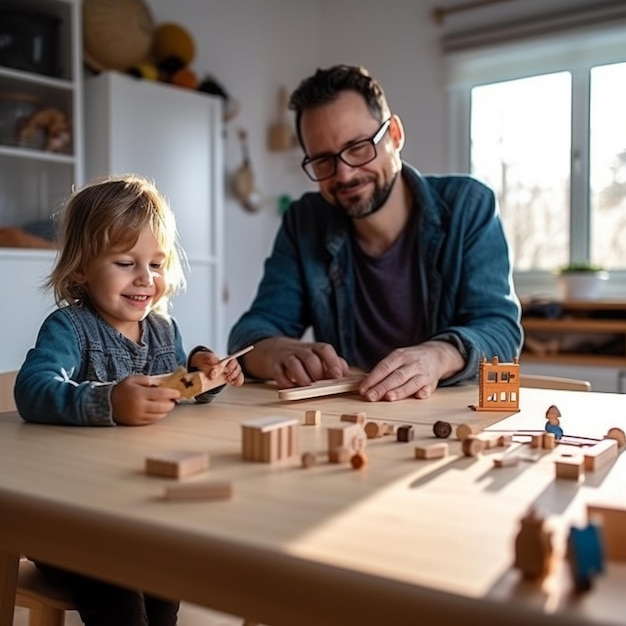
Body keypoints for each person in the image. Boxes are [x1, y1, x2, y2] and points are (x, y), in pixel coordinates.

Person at [14, 174, 243, 626]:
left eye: (156, 265)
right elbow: (32, 390)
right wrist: (109, 402)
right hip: (70, 523)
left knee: (164, 582)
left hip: (136, 512)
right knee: (119, 589)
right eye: (125, 262)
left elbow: (177, 386)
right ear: (81, 269)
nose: (145, 279)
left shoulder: (163, 330)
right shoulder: (70, 328)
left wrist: (204, 372)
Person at [228, 64, 522, 402]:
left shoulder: (468, 206)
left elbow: (500, 331)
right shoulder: (304, 220)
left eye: (358, 147)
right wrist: (276, 351)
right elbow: (249, 334)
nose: (345, 174)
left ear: (395, 135)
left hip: (449, 416)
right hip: (351, 416)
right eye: (323, 160)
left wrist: (438, 356)